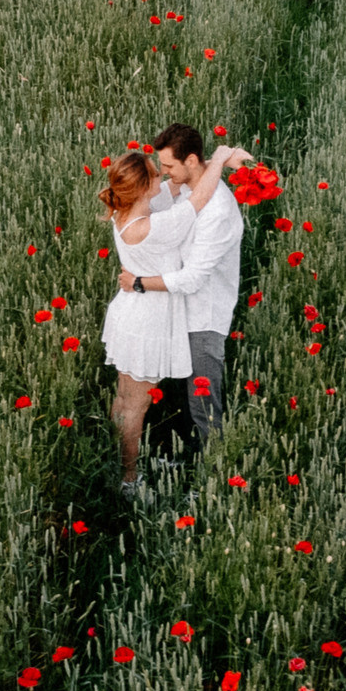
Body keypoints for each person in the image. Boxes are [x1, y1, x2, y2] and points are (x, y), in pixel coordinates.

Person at [98, 142, 246, 491]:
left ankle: (115, 464)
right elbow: (197, 199)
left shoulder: (130, 211)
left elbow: (181, 181)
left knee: (125, 400)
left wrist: (204, 163)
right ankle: (128, 481)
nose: (163, 175)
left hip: (132, 314)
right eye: (155, 171)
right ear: (143, 186)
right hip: (146, 323)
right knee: (135, 406)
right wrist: (223, 157)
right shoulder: (154, 225)